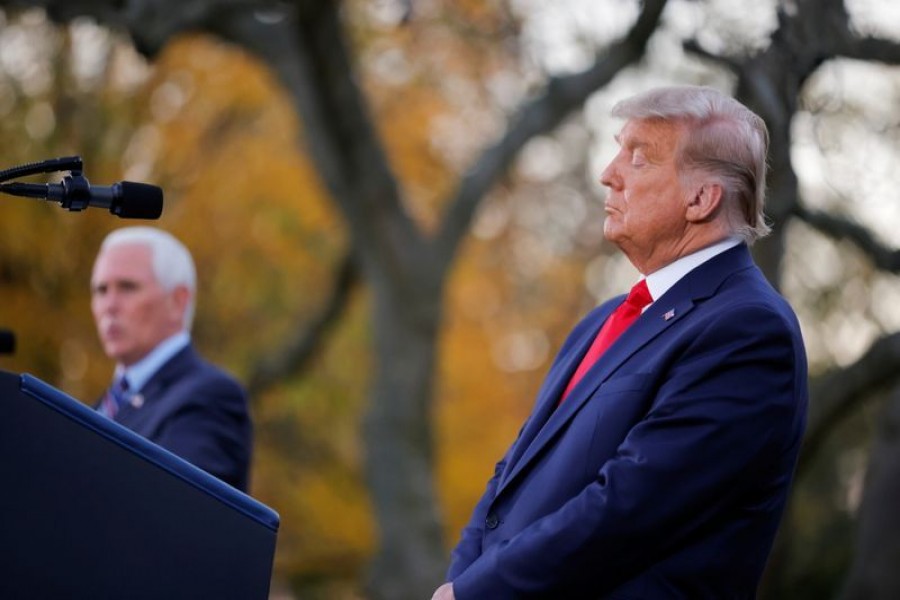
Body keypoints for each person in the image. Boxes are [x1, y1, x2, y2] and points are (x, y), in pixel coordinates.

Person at [433, 85, 808, 599]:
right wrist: (458, 583)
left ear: (701, 199)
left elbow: (628, 509)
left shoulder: (747, 331)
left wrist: (478, 593)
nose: (609, 174)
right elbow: (511, 476)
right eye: (618, 151)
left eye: (639, 158)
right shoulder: (603, 320)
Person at [90, 226, 252, 492]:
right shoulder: (104, 406)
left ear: (178, 301)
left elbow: (177, 505)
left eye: (127, 287)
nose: (109, 305)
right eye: (101, 290)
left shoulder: (209, 398)